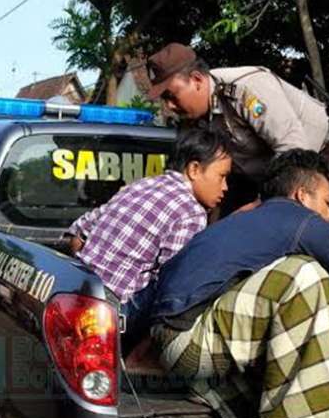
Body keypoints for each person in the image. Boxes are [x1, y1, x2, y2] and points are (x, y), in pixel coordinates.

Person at [148, 149, 329, 418]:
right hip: (189, 347)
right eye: (327, 202)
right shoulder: (306, 224)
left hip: (174, 346)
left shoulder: (249, 220)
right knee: (305, 274)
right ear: (302, 196)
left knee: (313, 288)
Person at [146, 42, 329, 238]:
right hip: (263, 171)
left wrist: (261, 204)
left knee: (324, 230)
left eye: (171, 96)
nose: (169, 107)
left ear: (197, 80)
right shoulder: (193, 118)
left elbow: (294, 149)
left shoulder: (245, 89)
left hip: (323, 149)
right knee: (218, 231)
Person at [66, 127, 232, 342]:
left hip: (78, 292)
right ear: (194, 169)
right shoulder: (190, 212)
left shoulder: (141, 184)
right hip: (116, 312)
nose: (226, 187)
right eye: (222, 176)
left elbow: (78, 234)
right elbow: (173, 288)